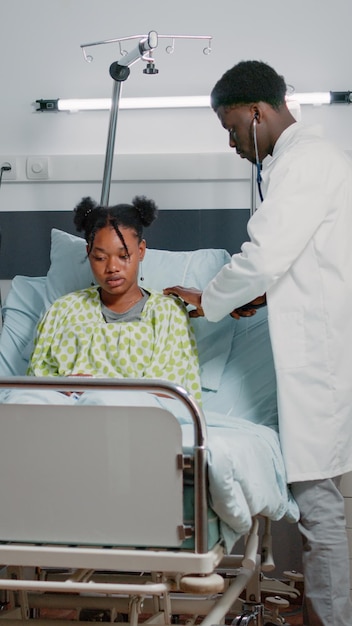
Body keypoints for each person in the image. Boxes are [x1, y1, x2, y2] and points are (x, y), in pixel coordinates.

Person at [164, 60, 352, 625]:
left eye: (229, 128)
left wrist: (208, 299)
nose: (230, 143)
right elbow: (303, 263)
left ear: (256, 113)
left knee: (321, 510)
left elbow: (266, 255)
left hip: (317, 361)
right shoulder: (310, 162)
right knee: (323, 509)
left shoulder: (309, 163)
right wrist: (260, 297)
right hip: (316, 348)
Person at [11, 195, 201, 404]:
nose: (112, 268)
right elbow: (38, 376)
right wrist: (62, 385)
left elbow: (171, 387)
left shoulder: (167, 313)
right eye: (100, 258)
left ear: (140, 251)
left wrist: (98, 389)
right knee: (19, 400)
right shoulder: (63, 310)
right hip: (66, 409)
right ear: (88, 253)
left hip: (139, 411)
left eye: (123, 256)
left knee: (102, 401)